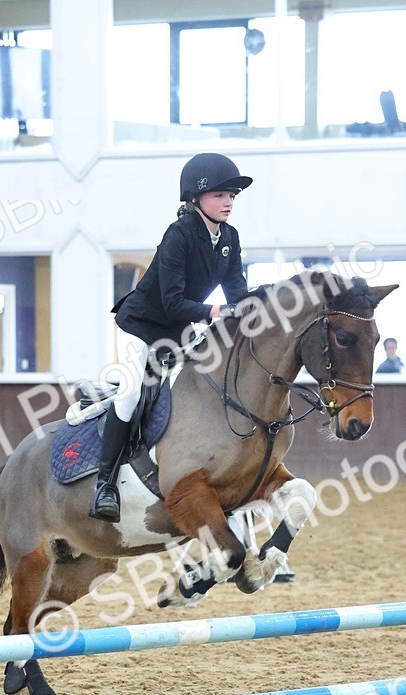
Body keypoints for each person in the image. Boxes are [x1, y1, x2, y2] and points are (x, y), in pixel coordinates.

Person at [90, 152, 252, 522]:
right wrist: (215, 312)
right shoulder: (179, 234)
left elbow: (237, 293)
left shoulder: (229, 237)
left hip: (180, 328)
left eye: (232, 196)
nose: (228, 202)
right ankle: (105, 484)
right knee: (132, 392)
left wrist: (259, 305)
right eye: (219, 195)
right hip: (144, 324)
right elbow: (173, 300)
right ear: (195, 199)